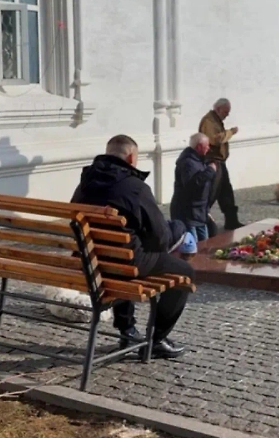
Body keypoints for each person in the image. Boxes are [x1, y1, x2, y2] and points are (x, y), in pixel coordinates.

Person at [71, 135, 193, 359]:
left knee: (121, 254)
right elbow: (161, 238)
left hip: (90, 259)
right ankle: (156, 339)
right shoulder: (135, 187)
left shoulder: (84, 183)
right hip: (125, 261)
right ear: (131, 157)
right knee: (184, 271)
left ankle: (127, 330)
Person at [198, 98, 244, 232]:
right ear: (218, 109)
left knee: (226, 192)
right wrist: (231, 132)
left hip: (220, 162)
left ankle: (231, 221)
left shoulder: (216, 120)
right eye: (226, 112)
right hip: (212, 161)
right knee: (211, 192)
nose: (227, 115)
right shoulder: (208, 121)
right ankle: (201, 219)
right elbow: (216, 139)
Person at [171, 133, 219, 242]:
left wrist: (206, 210)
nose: (209, 148)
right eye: (207, 145)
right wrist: (210, 171)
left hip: (200, 212)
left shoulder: (199, 160)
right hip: (188, 213)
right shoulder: (188, 163)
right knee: (192, 247)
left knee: (205, 245)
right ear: (199, 147)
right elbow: (192, 185)